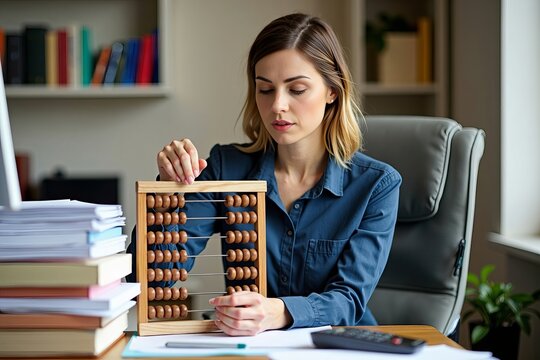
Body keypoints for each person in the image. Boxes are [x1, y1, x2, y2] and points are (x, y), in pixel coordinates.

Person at [132, 13, 401, 336]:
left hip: (338, 348)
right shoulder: (225, 168)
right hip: (248, 349)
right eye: (265, 90)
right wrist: (166, 191)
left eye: (297, 89)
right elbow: (149, 277)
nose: (277, 106)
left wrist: (280, 312)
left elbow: (349, 300)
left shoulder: (376, 186)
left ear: (332, 91)